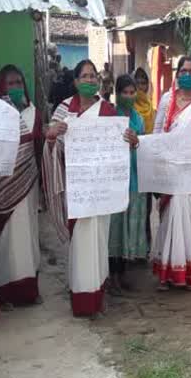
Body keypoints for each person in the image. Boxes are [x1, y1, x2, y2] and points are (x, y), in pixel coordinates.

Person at [44, 59, 138, 316]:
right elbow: (51, 146)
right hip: (77, 189)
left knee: (97, 239)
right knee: (80, 241)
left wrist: (131, 140)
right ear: (75, 81)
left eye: (93, 76)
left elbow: (121, 143)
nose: (89, 80)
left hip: (101, 190)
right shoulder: (65, 109)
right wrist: (52, 137)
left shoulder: (107, 110)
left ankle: (97, 294)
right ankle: (81, 296)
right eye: (84, 76)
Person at [152, 56, 191, 291]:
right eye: (183, 71)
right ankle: (167, 274)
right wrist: (157, 163)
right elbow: (158, 132)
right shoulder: (167, 100)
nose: (187, 75)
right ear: (177, 74)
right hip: (170, 170)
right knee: (169, 220)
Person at [0, 64, 42, 307]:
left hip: (29, 185)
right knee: (6, 238)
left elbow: (41, 148)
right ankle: (5, 292)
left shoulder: (34, 113)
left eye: (19, 83)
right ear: (1, 87)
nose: (15, 88)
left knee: (28, 234)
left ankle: (29, 288)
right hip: (4, 188)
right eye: (10, 84)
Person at [108, 74, 147, 294]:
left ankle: (122, 274)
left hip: (134, 180)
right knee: (115, 228)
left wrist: (137, 142)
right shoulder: (110, 116)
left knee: (127, 228)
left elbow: (145, 147)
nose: (130, 96)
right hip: (115, 181)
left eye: (133, 92)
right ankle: (111, 275)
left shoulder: (138, 119)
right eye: (125, 92)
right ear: (118, 93)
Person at [133, 67, 156, 134]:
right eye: (137, 83)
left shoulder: (150, 105)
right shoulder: (130, 105)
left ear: (147, 85)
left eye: (143, 83)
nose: (140, 86)